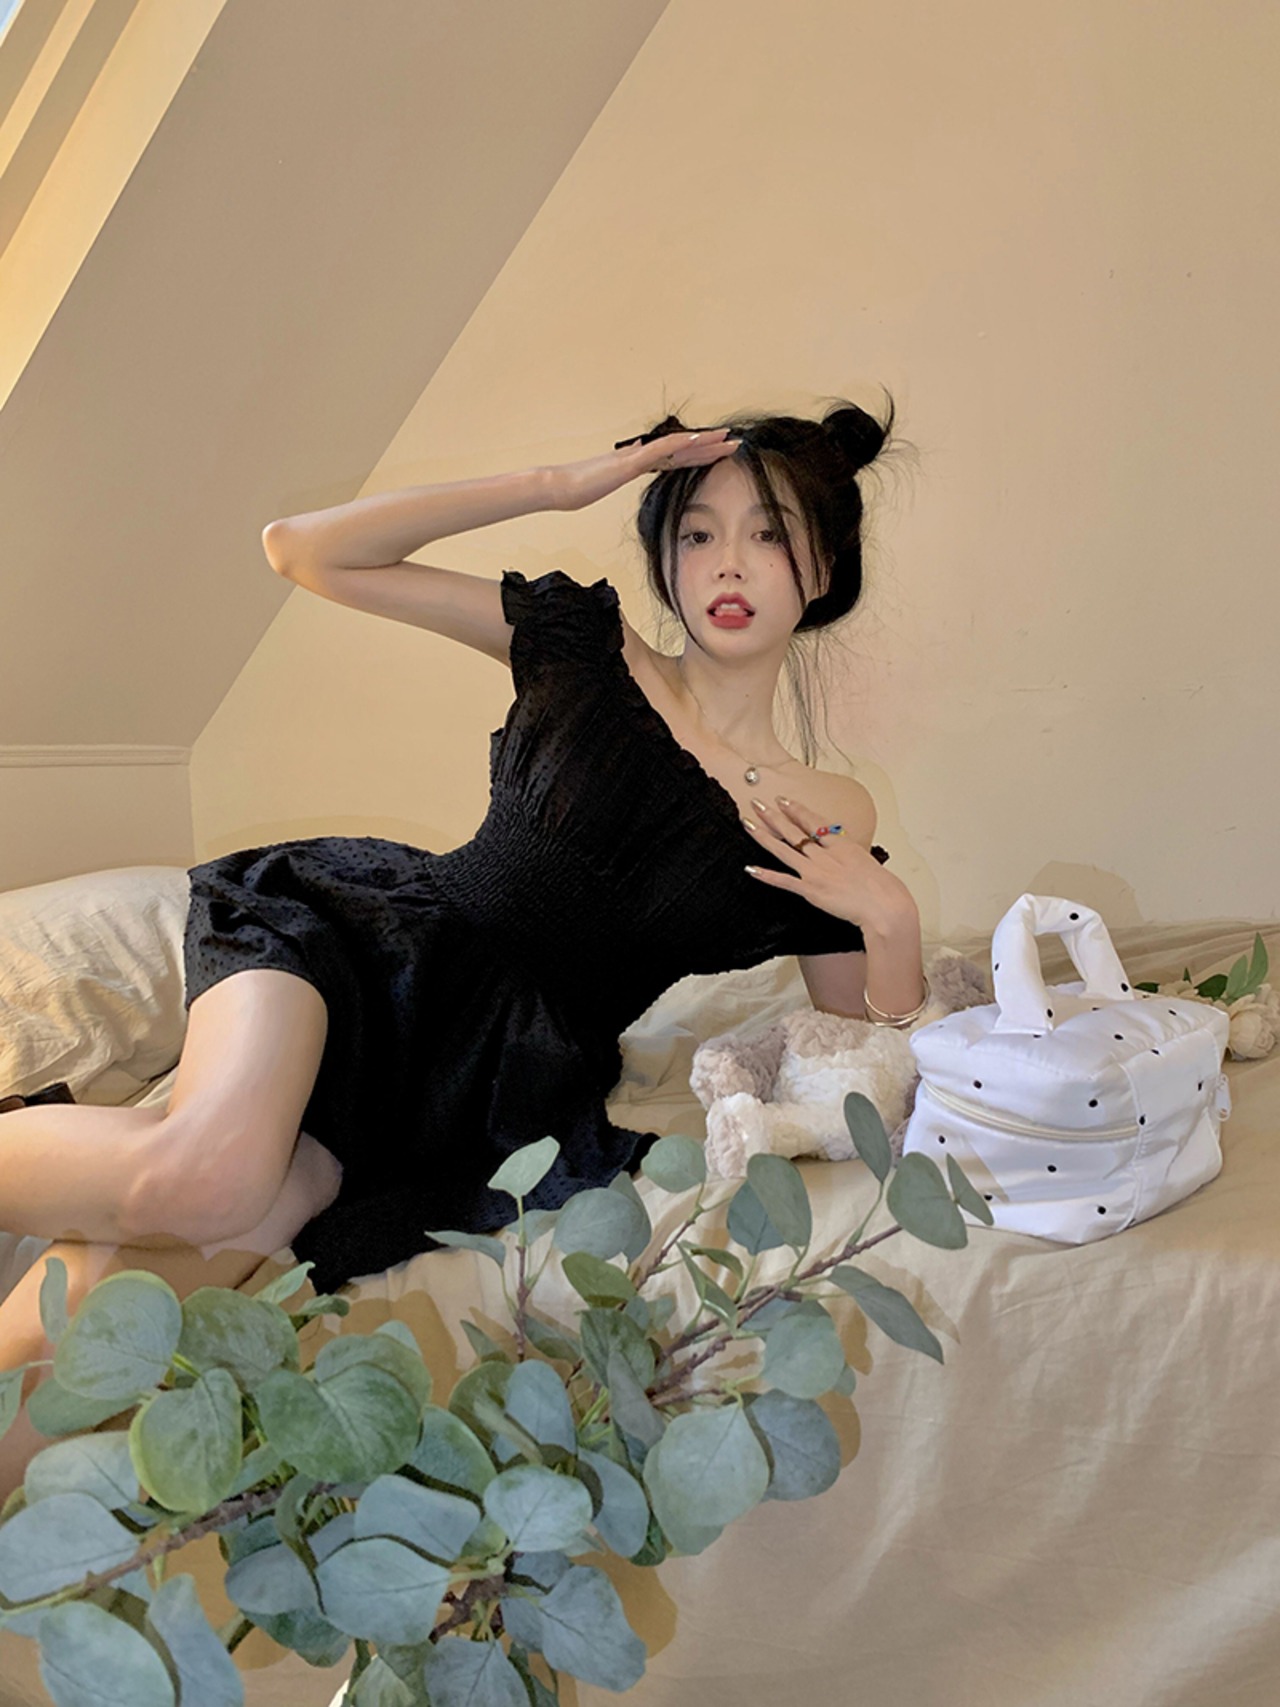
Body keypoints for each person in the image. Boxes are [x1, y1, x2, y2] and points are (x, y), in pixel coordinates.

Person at [0, 399, 926, 1494]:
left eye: (768, 533)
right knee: (208, 1179)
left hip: (487, 1086)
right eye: (696, 531)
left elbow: (858, 1043)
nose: (728, 561)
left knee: (94, 1329)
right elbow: (303, 549)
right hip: (364, 950)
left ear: (824, 568)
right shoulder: (586, 649)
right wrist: (556, 484)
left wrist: (890, 922)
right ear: (665, 559)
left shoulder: (828, 809)